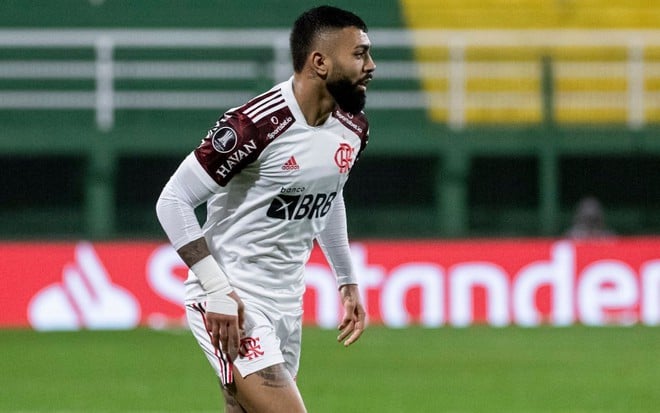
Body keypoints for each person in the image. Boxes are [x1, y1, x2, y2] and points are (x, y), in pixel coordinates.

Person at [156, 6, 374, 412]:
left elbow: (329, 195)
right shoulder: (254, 126)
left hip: (287, 302)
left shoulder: (353, 126)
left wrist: (347, 280)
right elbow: (173, 201)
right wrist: (217, 290)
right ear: (320, 62)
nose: (371, 66)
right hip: (232, 301)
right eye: (359, 54)